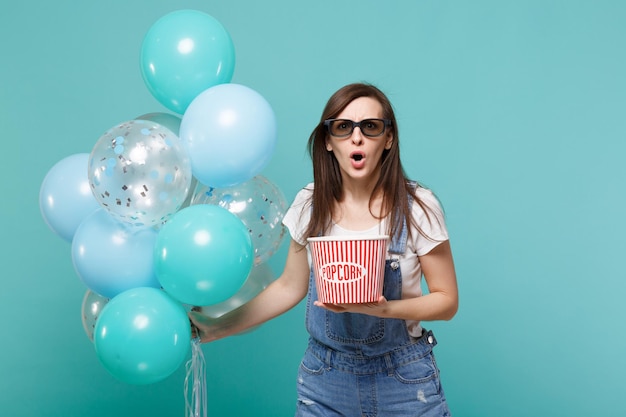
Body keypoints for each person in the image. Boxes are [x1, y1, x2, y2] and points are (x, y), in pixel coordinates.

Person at [190, 82, 458, 416]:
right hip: (326, 379)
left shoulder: (417, 206)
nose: (356, 138)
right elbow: (289, 287)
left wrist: (385, 310)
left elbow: (447, 302)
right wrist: (217, 326)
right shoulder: (310, 204)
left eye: (370, 127)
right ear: (329, 141)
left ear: (388, 139)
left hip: (403, 381)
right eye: (344, 128)